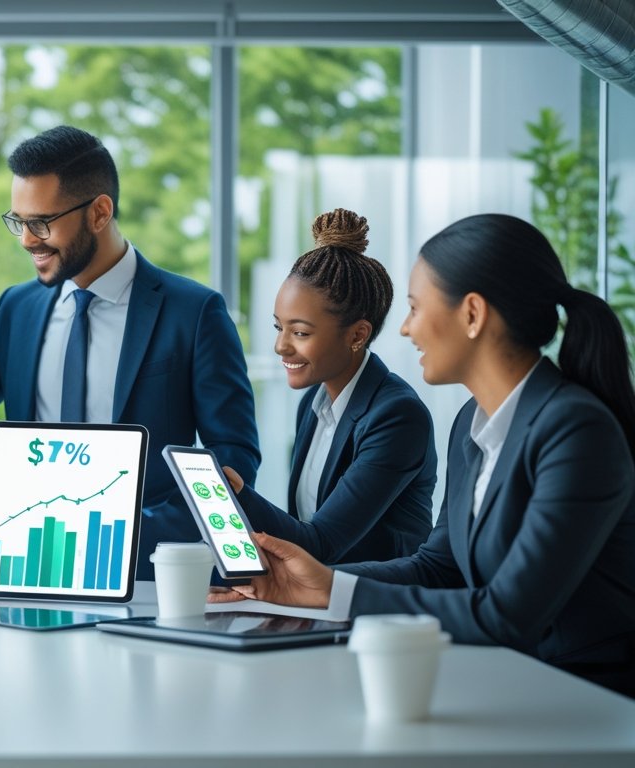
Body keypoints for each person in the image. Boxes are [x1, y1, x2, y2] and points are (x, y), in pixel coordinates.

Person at [214, 213, 635, 696]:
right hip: (508, 683)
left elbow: (508, 615)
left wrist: (335, 593)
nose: (405, 329)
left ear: (472, 314)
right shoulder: (472, 423)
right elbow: (439, 567)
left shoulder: (576, 431)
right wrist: (317, 584)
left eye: (415, 308)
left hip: (584, 700)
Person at [0, 125, 261, 579]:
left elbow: (234, 454)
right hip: (33, 563)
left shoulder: (193, 312)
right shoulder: (17, 309)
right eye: (18, 222)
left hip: (144, 573)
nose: (27, 239)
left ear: (99, 212)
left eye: (41, 223)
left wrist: (139, 534)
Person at [221, 208, 435, 564]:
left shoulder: (397, 416)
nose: (281, 346)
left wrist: (237, 492)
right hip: (315, 593)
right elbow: (302, 529)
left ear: (357, 335)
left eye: (300, 332)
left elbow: (321, 543)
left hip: (375, 598)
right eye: (279, 328)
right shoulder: (313, 403)